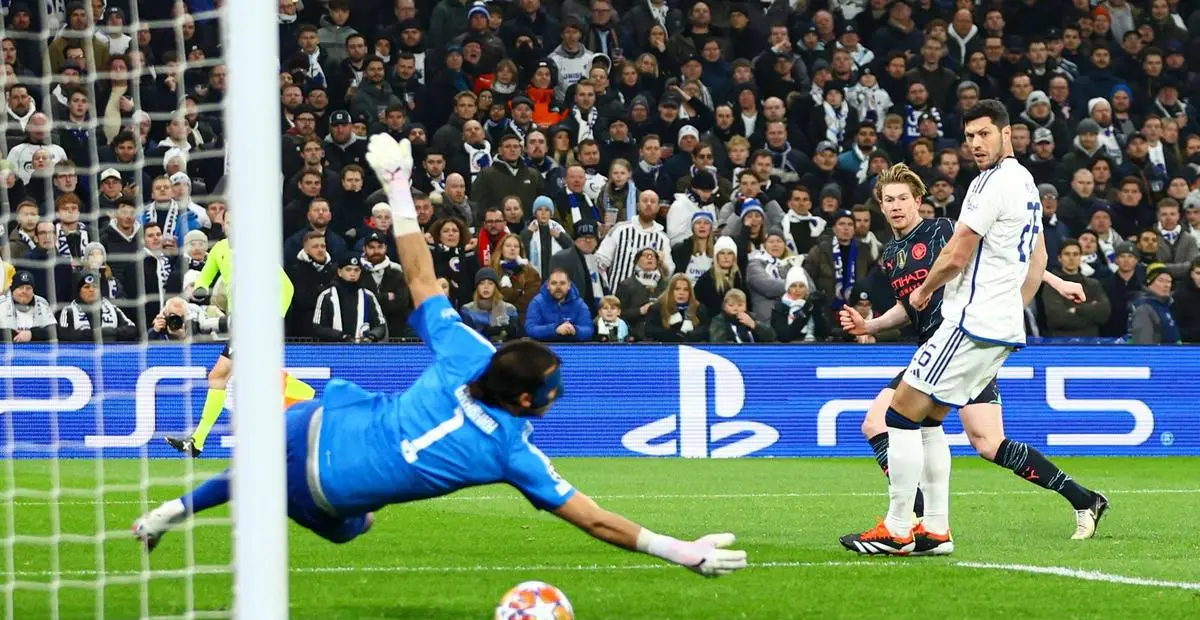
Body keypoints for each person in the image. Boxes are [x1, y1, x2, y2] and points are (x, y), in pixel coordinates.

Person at [134, 137, 748, 581]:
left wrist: (400, 187)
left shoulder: (470, 351)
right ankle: (199, 501)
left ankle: (176, 507)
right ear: (525, 401)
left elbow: (421, 277)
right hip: (326, 491)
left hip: (315, 420)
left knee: (268, 466)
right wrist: (680, 551)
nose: (556, 397)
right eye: (551, 392)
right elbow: (595, 520)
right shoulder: (510, 450)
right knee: (351, 522)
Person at [839, 108, 1109, 558]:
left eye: (903, 197)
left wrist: (1054, 282)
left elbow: (975, 253)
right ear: (880, 206)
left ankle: (902, 525)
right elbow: (910, 306)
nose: (896, 205)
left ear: (919, 200)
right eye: (888, 200)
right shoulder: (892, 254)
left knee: (898, 418)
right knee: (956, 432)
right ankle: (935, 525)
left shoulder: (947, 224)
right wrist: (871, 325)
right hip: (961, 337)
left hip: (964, 330)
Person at [166, 215, 297, 457]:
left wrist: (275, 319)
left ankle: (198, 441)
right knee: (237, 377)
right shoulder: (220, 249)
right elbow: (204, 279)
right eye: (229, 222)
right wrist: (196, 292)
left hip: (256, 323)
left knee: (222, 376)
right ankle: (197, 442)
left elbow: (287, 287)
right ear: (223, 225)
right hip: (240, 324)